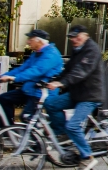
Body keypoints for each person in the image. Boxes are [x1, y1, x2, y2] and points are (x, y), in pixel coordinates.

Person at [44, 26, 104, 169]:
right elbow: (69, 70)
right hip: (76, 94)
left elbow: (81, 72)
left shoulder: (92, 50)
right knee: (50, 104)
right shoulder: (77, 50)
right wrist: (52, 81)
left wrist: (61, 83)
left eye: (76, 36)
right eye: (71, 37)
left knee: (73, 125)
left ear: (85, 35)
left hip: (90, 95)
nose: (73, 39)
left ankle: (87, 156)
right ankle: (62, 134)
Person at [0, 29, 62, 121]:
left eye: (30, 39)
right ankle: (8, 131)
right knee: (3, 99)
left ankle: (33, 134)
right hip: (30, 89)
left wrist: (14, 78)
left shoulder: (51, 54)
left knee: (26, 117)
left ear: (38, 40)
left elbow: (36, 71)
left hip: (41, 92)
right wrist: (2, 76)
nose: (28, 42)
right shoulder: (36, 54)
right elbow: (22, 68)